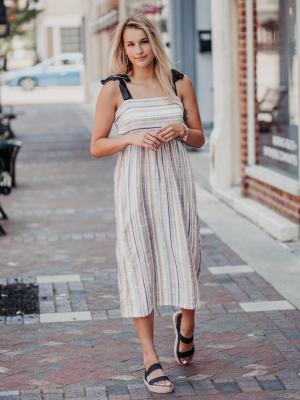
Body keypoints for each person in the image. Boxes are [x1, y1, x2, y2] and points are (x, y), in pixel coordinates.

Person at [90, 14, 205, 395]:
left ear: (154, 42)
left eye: (142, 42)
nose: (137, 51)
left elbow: (200, 138)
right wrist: (130, 137)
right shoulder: (113, 90)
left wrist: (182, 130)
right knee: (139, 262)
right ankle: (150, 359)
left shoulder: (179, 81)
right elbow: (97, 146)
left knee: (186, 256)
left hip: (175, 184)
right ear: (122, 50)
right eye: (129, 44)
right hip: (134, 186)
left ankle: (186, 325)